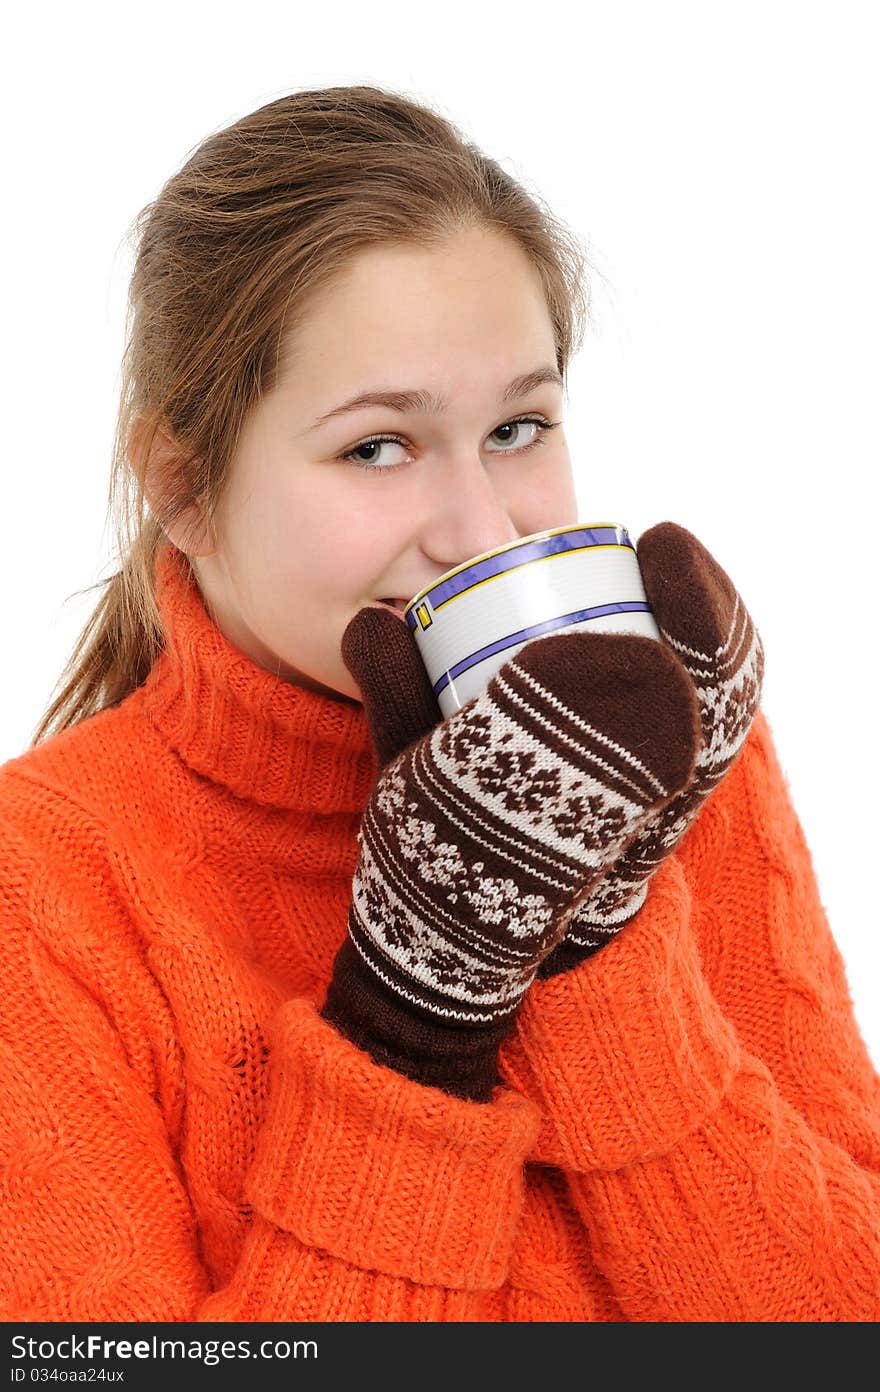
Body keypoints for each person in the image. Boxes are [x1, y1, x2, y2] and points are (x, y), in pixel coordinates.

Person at [1, 84, 878, 1325]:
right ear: (186, 489)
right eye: (378, 447)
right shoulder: (40, 884)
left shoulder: (650, 753)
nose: (482, 531)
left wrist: (599, 943)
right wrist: (411, 1023)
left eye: (519, 427)